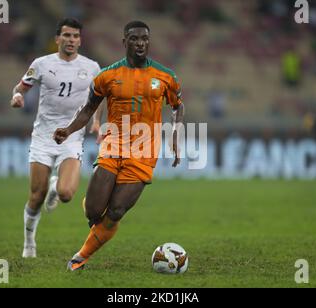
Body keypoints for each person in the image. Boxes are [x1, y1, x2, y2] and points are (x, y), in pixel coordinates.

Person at [53, 21, 185, 271]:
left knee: (116, 211)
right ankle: (95, 217)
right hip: (114, 144)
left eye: (145, 39)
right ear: (125, 42)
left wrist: (176, 136)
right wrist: (68, 130)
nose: (140, 43)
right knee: (94, 212)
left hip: (144, 151)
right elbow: (88, 108)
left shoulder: (165, 76)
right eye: (135, 39)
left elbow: (178, 106)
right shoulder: (107, 75)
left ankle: (80, 257)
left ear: (149, 41)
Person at [10, 18, 101, 258]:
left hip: (71, 137)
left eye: (75, 36)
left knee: (66, 194)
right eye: (67, 35)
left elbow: (100, 97)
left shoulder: (92, 67)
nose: (71, 40)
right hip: (43, 137)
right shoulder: (41, 64)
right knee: (35, 197)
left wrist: (98, 121)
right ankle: (29, 241)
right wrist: (17, 97)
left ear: (80, 41)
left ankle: (55, 184)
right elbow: (20, 87)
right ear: (57, 39)